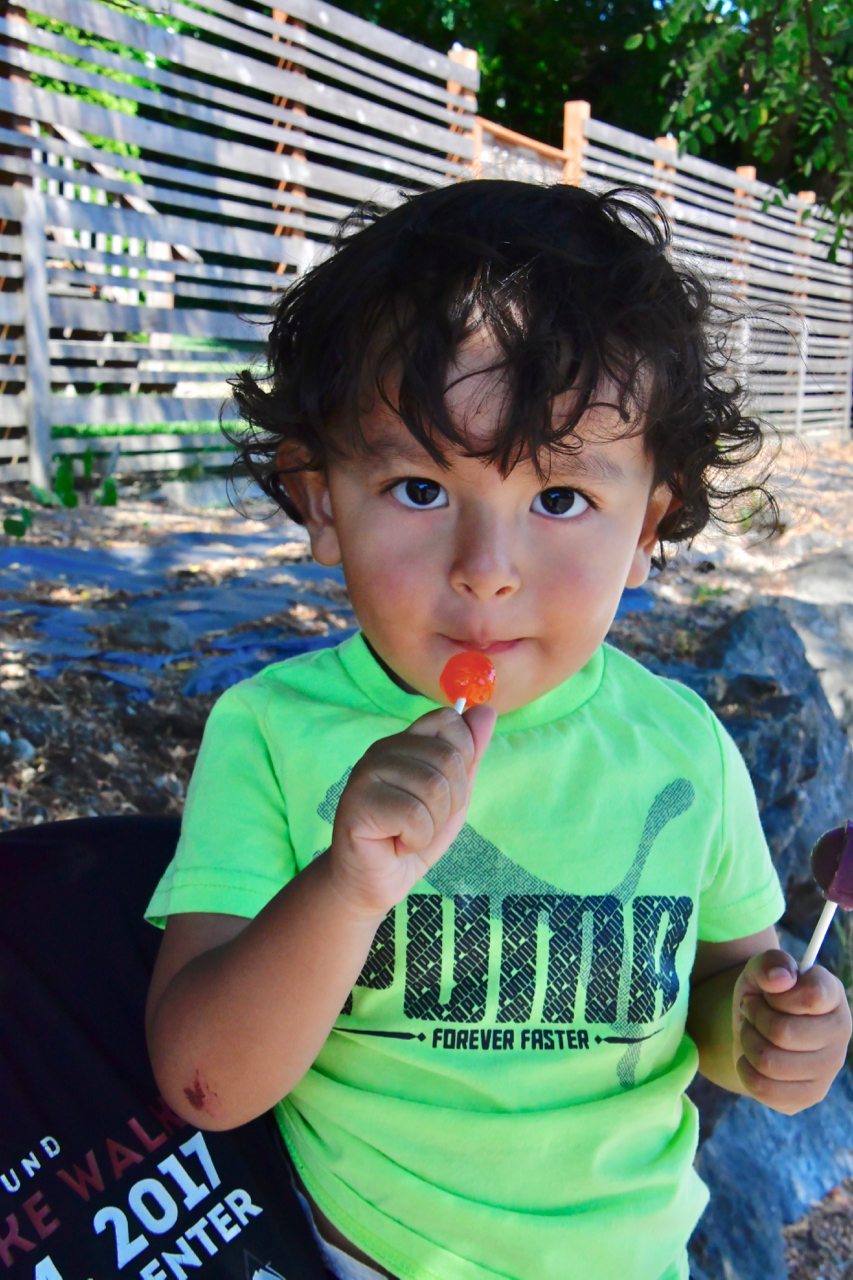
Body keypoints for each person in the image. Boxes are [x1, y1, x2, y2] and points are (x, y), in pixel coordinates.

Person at [144, 181, 852, 1280]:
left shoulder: (682, 750)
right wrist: (345, 883)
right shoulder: (276, 737)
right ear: (321, 498)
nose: (486, 567)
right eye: (420, 487)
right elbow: (206, 1081)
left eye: (561, 499)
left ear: (648, 522)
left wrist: (766, 1034)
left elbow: (721, 989)